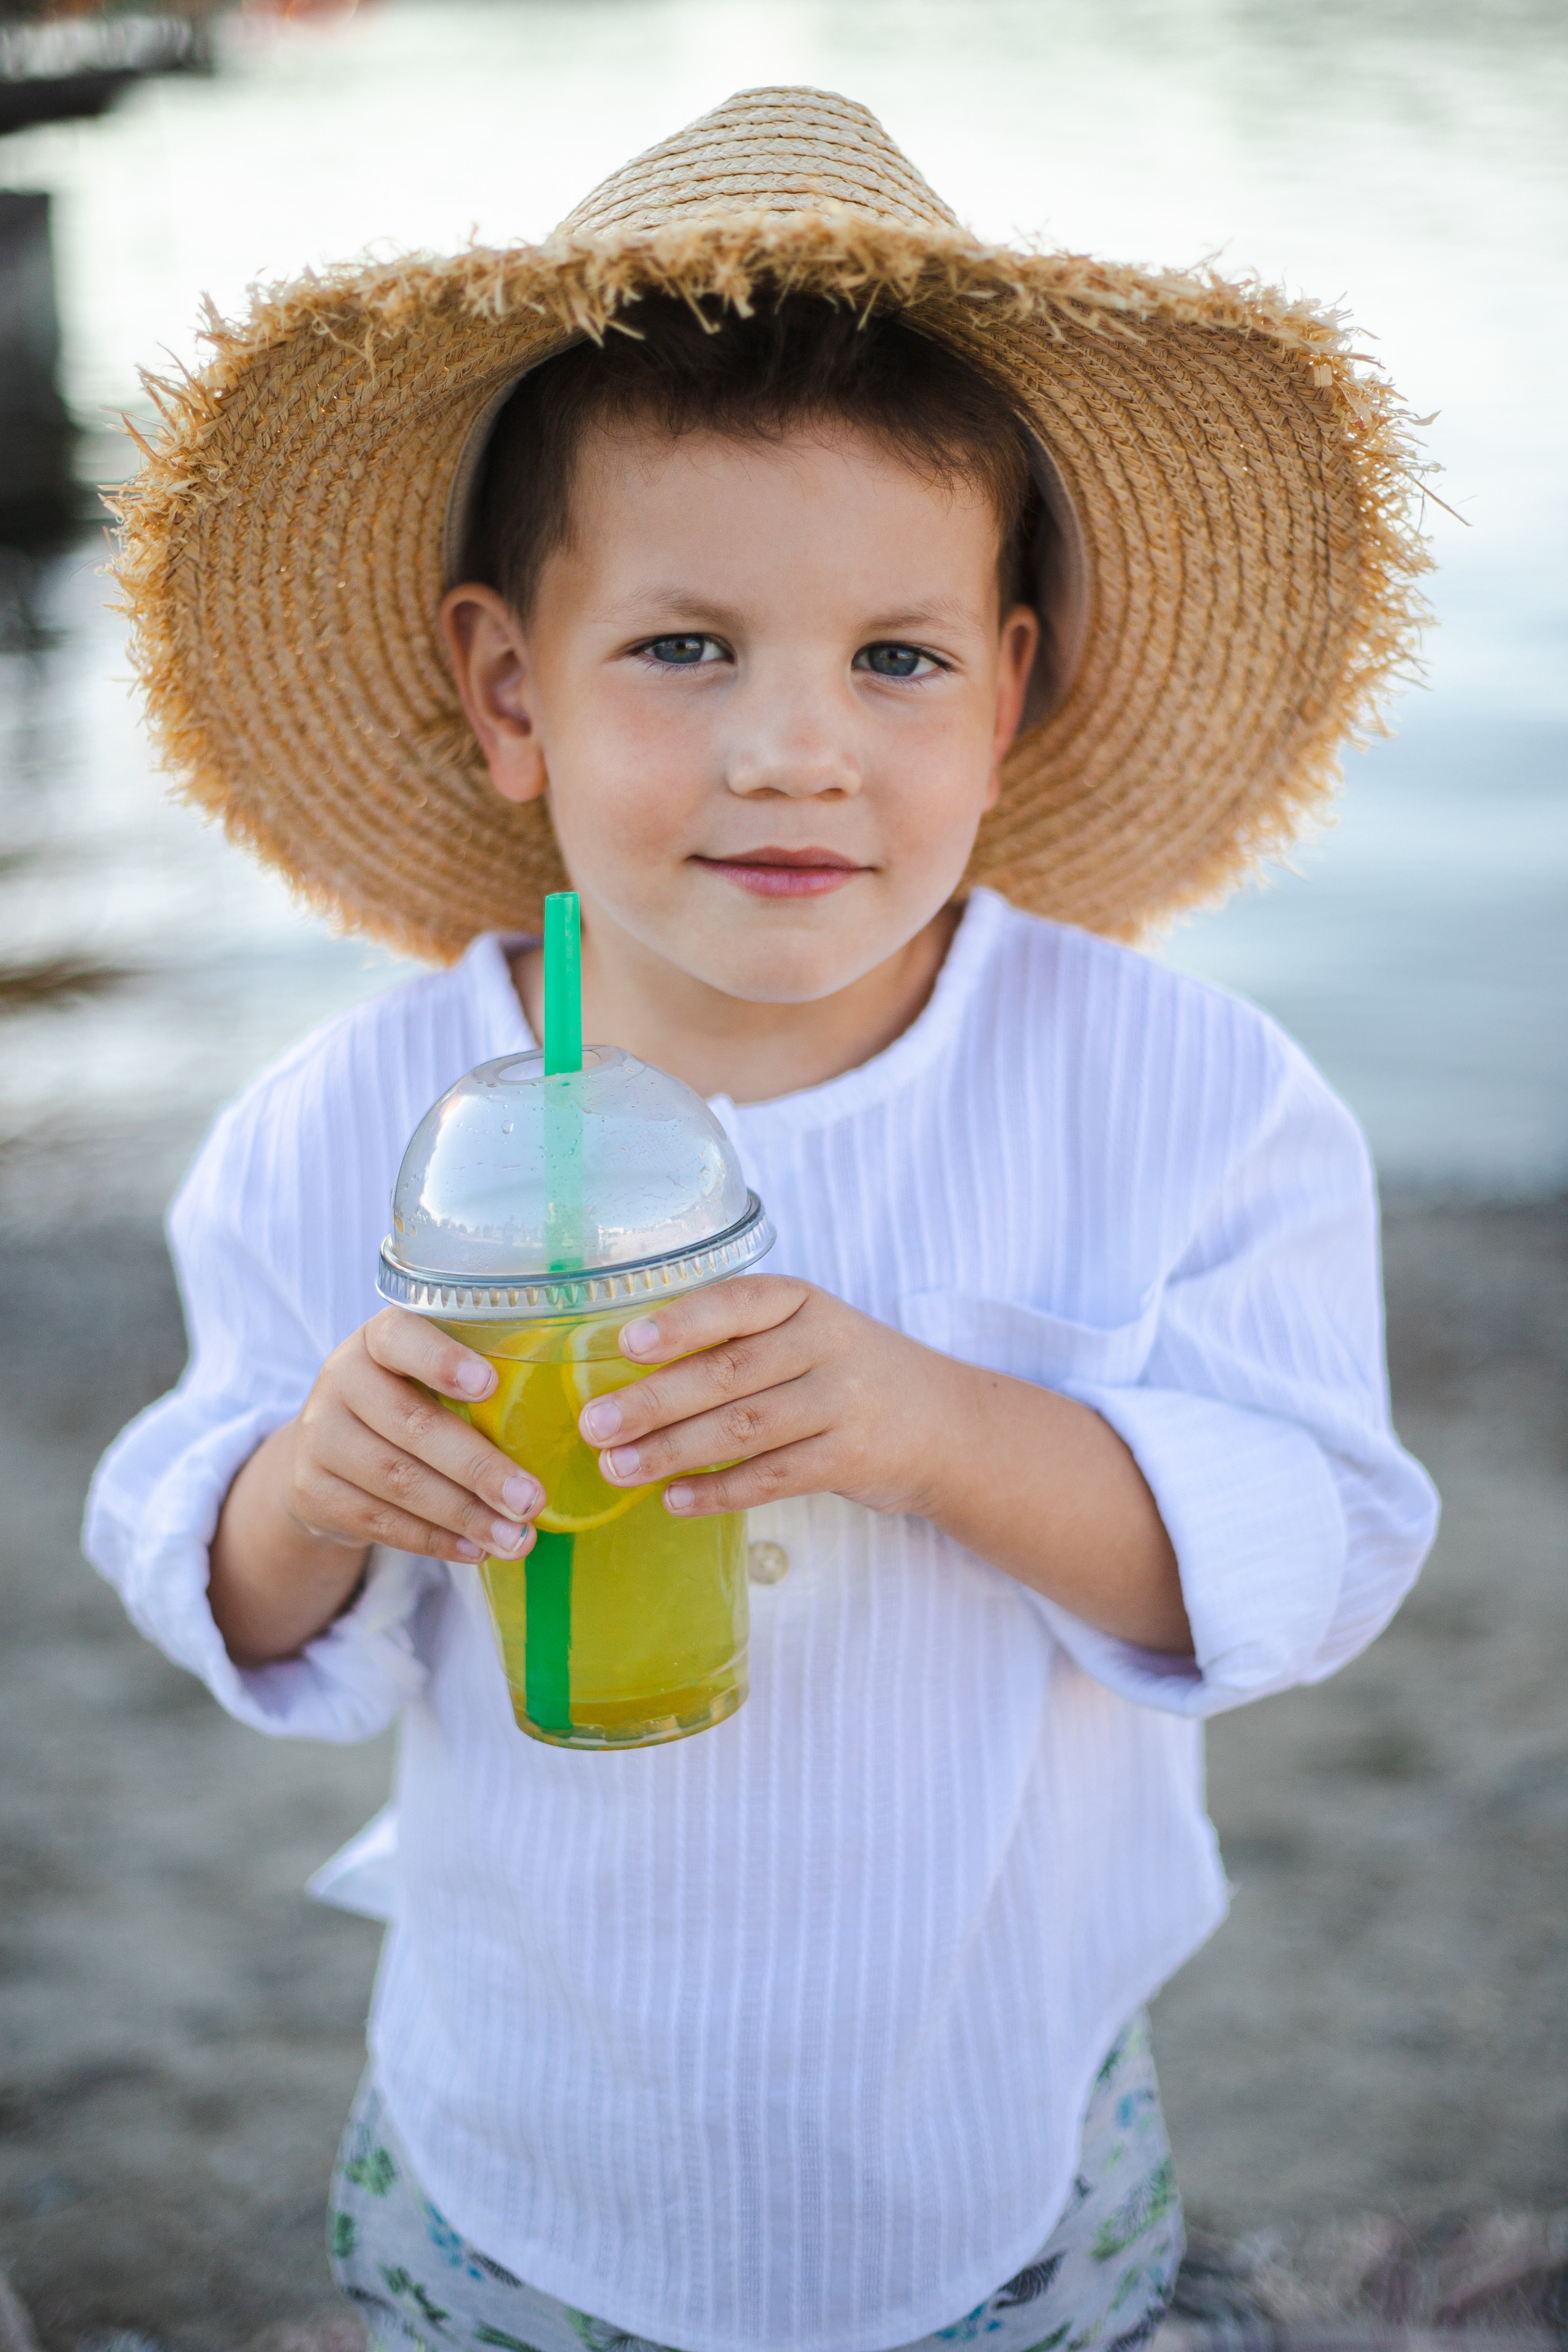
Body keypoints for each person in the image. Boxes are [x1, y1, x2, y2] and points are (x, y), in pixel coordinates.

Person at [88, 86, 1439, 2352]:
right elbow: (204, 1557)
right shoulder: (359, 1123)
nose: (794, 750)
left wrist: (932, 1427)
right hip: (527, 2123)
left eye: (895, 659)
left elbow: (1310, 1541)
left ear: (1011, 695)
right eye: (685, 649)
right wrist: (315, 1481)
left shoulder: (1182, 1096)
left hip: (991, 2113)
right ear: (512, 689)